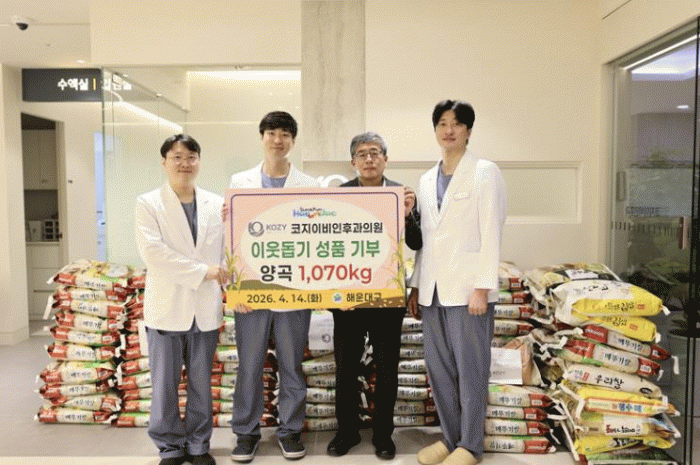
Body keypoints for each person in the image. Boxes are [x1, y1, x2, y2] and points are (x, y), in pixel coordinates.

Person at [407, 100, 506, 465]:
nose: (449, 130)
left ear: (468, 131)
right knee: (440, 371)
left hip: (468, 292)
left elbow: (491, 231)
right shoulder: (425, 179)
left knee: (471, 370)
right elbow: (427, 240)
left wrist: (483, 287)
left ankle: (471, 445)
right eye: (442, 124)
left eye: (456, 124)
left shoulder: (484, 172)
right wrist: (416, 286)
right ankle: (450, 440)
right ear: (435, 130)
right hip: (433, 291)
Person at [228, 111, 319, 463]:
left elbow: (317, 242)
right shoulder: (240, 181)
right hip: (252, 290)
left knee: (292, 365)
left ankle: (290, 430)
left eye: (284, 134)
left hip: (294, 291)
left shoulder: (309, 185)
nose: (277, 140)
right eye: (271, 133)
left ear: (293, 140)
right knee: (249, 365)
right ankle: (246, 432)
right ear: (261, 137)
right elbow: (230, 238)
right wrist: (235, 289)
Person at [326, 131, 422, 460]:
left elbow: (417, 243)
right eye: (362, 153)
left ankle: (383, 435)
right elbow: (326, 248)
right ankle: (347, 432)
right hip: (349, 300)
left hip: (387, 299)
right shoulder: (339, 196)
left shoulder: (401, 194)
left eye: (375, 152)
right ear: (353, 161)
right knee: (345, 370)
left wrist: (408, 213)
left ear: (385, 159)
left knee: (387, 369)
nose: (369, 158)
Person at [135, 134, 227, 465]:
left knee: (202, 383)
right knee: (165, 385)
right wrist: (205, 271)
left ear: (199, 161)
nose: (184, 163)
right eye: (177, 157)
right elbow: (154, 254)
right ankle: (170, 447)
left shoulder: (217, 204)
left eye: (191, 157)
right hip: (167, 307)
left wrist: (226, 273)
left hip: (205, 309)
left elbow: (227, 250)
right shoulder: (148, 203)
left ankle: (199, 445)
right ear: (164, 162)